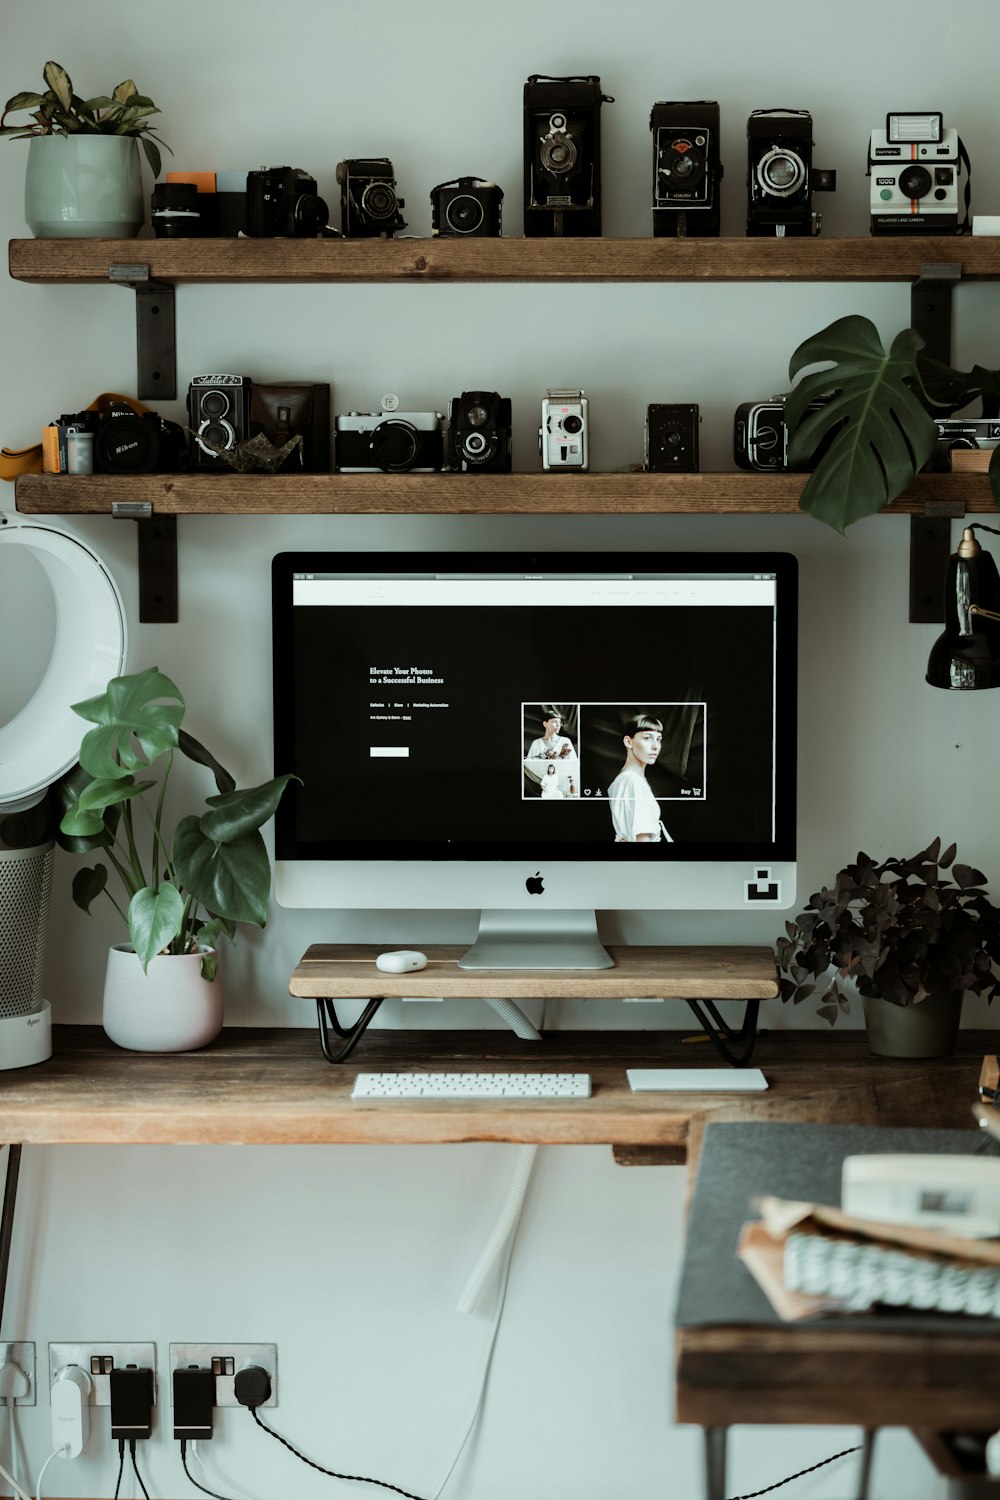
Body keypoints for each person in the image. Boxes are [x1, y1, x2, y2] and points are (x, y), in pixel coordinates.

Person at [607, 712, 674, 842]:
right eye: (647, 738)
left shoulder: (630, 780)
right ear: (628, 741)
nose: (655, 746)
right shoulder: (632, 781)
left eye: (658, 739)